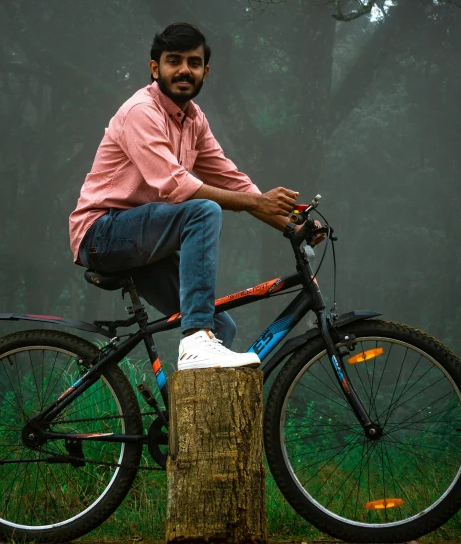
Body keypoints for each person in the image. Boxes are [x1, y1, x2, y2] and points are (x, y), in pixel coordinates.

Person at [69, 22, 318, 371]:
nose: (185, 70)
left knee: (221, 327)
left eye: (194, 63)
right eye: (174, 61)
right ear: (155, 68)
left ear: (205, 71)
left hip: (144, 237)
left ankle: (183, 417)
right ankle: (196, 339)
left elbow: (233, 180)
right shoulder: (141, 111)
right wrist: (259, 203)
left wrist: (291, 225)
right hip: (103, 233)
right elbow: (175, 187)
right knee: (202, 211)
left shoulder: (193, 119)